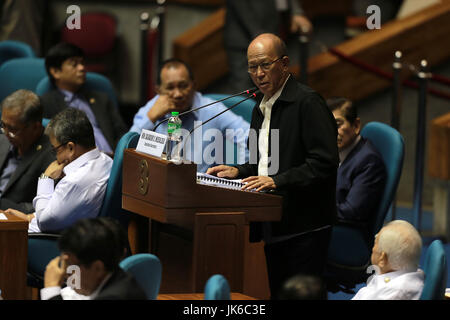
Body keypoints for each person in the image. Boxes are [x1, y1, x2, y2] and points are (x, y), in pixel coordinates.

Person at [207, 33, 339, 299]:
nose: (258, 73)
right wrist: (239, 171)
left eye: (265, 65)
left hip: (304, 226)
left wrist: (278, 181)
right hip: (273, 222)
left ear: (285, 63)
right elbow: (265, 164)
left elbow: (325, 163)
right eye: (252, 66)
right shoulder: (261, 106)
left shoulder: (307, 103)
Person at [129, 58, 250, 173]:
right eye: (170, 88)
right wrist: (150, 119)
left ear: (194, 85)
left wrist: (240, 171)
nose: (177, 94)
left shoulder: (212, 110)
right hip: (158, 186)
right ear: (159, 90)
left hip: (201, 189)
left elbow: (252, 138)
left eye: (183, 86)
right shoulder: (151, 109)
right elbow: (127, 147)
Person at [4, 108, 113, 233]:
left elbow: (44, 222)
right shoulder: (105, 160)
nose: (56, 159)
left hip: (43, 241)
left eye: (55, 150)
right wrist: (29, 217)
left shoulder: (75, 182)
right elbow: (62, 210)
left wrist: (46, 178)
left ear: (71, 148)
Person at [40, 42, 127, 154]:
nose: (82, 68)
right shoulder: (47, 103)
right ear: (56, 72)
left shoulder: (101, 99)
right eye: (74, 64)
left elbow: (122, 133)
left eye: (82, 63)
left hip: (112, 160)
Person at [41, 217, 147, 300]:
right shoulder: (117, 278)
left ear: (97, 267)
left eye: (71, 266)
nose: (66, 274)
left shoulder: (114, 297)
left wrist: (51, 289)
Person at [327, 97, 386, 237]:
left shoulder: (369, 161)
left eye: (337, 124)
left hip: (348, 235)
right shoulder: (332, 150)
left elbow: (351, 213)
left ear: (356, 125)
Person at [224, 0, 313, 92]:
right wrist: (261, 36)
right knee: (245, 90)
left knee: (275, 84)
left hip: (273, 29)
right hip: (243, 39)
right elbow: (241, 7)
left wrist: (296, 12)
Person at [0, 89, 54, 213]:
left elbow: (45, 207)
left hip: (15, 224)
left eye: (13, 129)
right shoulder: (2, 139)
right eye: (3, 125)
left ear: (35, 126)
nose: (7, 134)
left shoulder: (52, 155)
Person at [352, 220, 424, 300]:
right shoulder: (410, 274)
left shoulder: (395, 293)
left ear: (382, 259)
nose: (373, 248)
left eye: (375, 243)